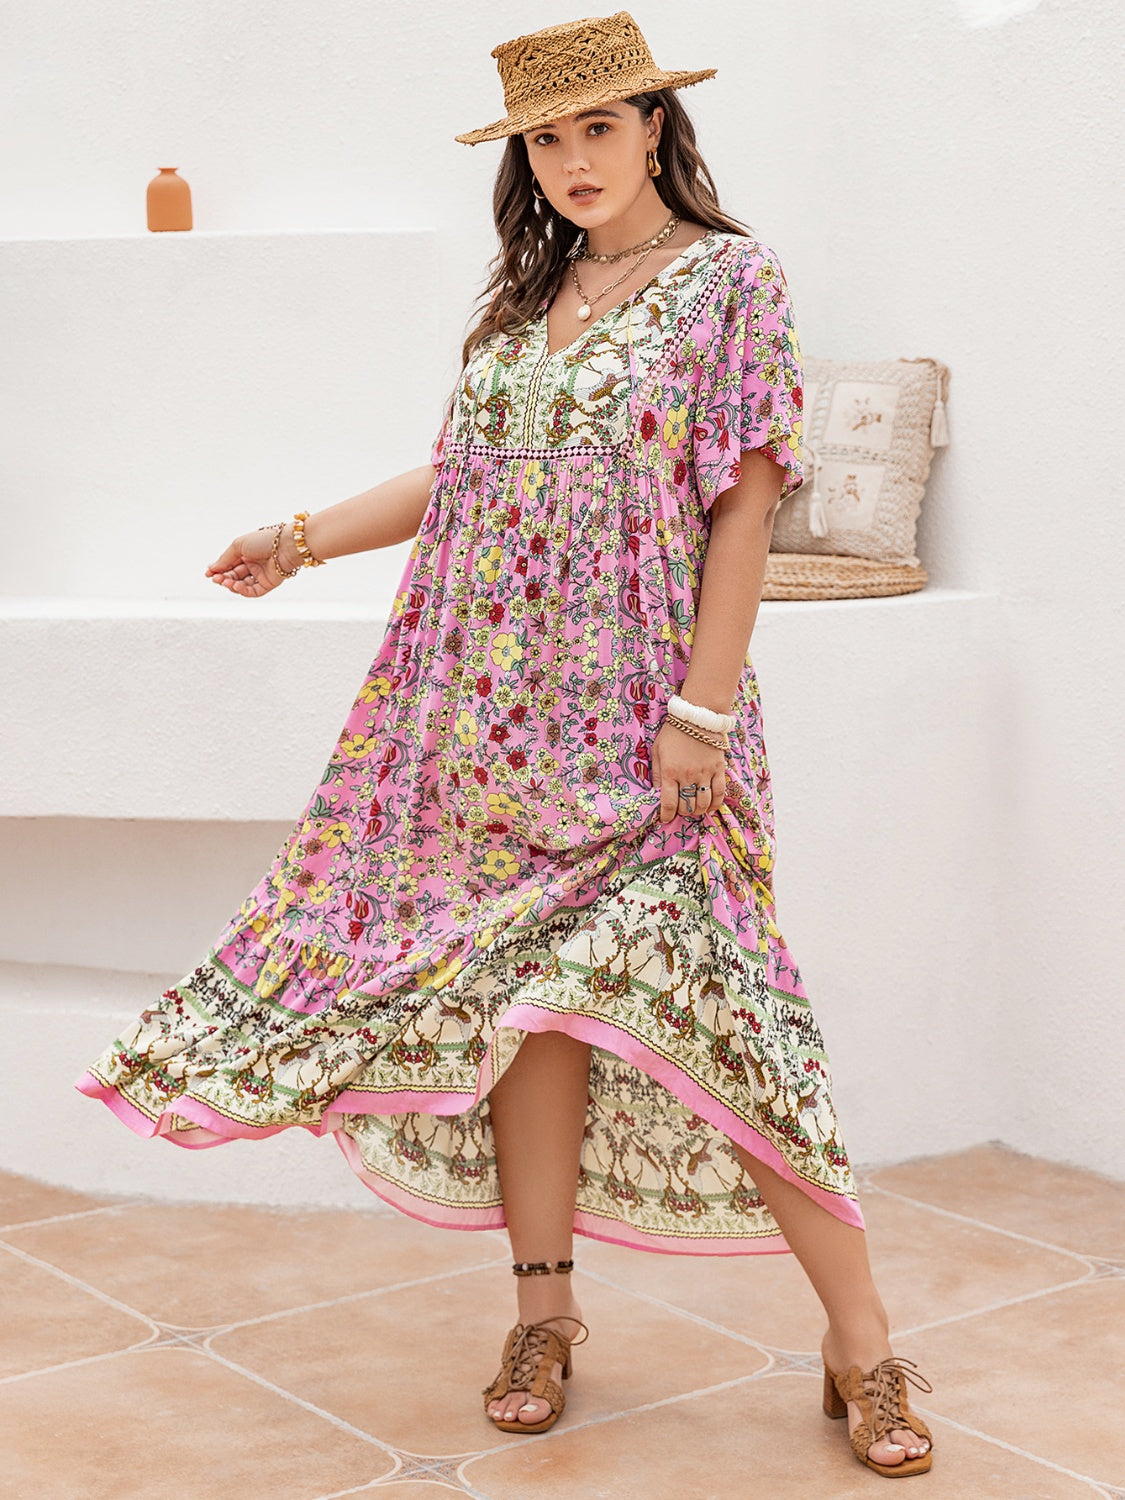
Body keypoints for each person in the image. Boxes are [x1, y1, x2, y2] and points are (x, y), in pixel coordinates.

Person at [74, 10, 935, 1479]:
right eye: (546, 138)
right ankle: (544, 1317)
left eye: (599, 127)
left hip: (653, 732)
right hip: (491, 725)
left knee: (736, 1019)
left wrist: (702, 709)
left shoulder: (731, 281)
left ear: (655, 127)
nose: (573, 159)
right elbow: (461, 475)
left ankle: (861, 1343)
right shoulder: (521, 304)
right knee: (524, 1025)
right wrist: (298, 537)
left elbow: (744, 505)